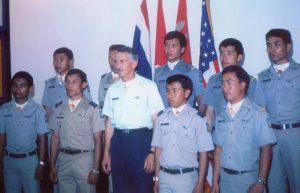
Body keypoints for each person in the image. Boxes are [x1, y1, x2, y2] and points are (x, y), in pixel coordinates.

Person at [101, 45, 164, 193]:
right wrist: (106, 154)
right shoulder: (112, 89)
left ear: (134, 63)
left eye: (122, 61)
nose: (117, 65)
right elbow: (109, 124)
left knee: (142, 187)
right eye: (115, 61)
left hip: (140, 142)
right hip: (118, 142)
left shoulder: (148, 86)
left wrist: (152, 152)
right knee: (120, 187)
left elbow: (157, 122)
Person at [211, 65, 276, 193]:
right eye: (223, 83)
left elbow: (266, 149)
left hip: (248, 180)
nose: (225, 87)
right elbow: (218, 149)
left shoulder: (257, 113)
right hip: (224, 180)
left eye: (230, 83)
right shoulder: (220, 115)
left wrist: (261, 182)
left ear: (242, 85)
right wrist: (214, 182)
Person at [151, 74, 214, 193]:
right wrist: (156, 178)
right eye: (168, 90)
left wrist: (200, 182)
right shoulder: (161, 117)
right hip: (164, 177)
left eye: (175, 91)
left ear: (186, 93)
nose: (169, 95)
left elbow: (203, 154)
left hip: (187, 178)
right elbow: (158, 150)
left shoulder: (198, 119)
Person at [256, 28, 300, 193]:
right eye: (268, 45)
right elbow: (261, 109)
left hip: (296, 134)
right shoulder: (263, 76)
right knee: (274, 184)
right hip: (271, 135)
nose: (272, 49)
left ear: (288, 46)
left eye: (277, 44)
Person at [48, 69, 102, 193]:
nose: (69, 86)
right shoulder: (58, 108)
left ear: (84, 84)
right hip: (63, 160)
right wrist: (52, 165)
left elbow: (98, 140)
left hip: (84, 160)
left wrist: (95, 169)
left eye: (74, 82)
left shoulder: (92, 109)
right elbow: (55, 138)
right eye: (67, 82)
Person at [0, 71, 49, 193]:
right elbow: (1, 137)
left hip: (30, 161)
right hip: (9, 160)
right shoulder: (3, 109)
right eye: (15, 85)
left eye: (22, 85)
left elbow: (43, 139)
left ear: (30, 89)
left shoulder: (37, 110)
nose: (18, 89)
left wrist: (42, 163)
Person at [204, 38, 259, 131]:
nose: (224, 58)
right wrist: (207, 135)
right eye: (222, 53)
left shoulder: (250, 81)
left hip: (242, 132)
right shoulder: (213, 80)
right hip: (219, 132)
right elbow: (210, 112)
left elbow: (256, 112)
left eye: (229, 53)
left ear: (239, 57)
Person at [154, 31, 205, 115]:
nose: (169, 49)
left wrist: (197, 122)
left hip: (186, 121)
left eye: (173, 46)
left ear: (182, 49)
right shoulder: (158, 72)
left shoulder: (192, 72)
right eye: (166, 45)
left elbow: (201, 101)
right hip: (164, 121)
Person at [98, 44, 124, 193]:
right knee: (111, 173)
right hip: (110, 131)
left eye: (116, 58)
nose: (113, 61)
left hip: (127, 132)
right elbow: (102, 107)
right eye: (110, 57)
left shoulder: (131, 78)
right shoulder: (104, 79)